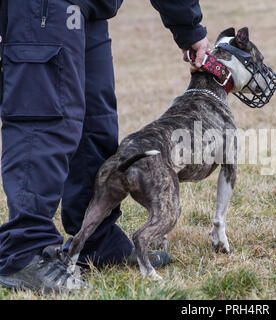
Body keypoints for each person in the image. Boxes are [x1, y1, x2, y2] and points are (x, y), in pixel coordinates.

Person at [0, 0, 211, 292]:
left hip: (89, 10)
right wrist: (191, 29)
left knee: (94, 123)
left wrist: (189, 30)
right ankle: (24, 250)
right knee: (43, 118)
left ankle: (95, 241)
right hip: (44, 8)